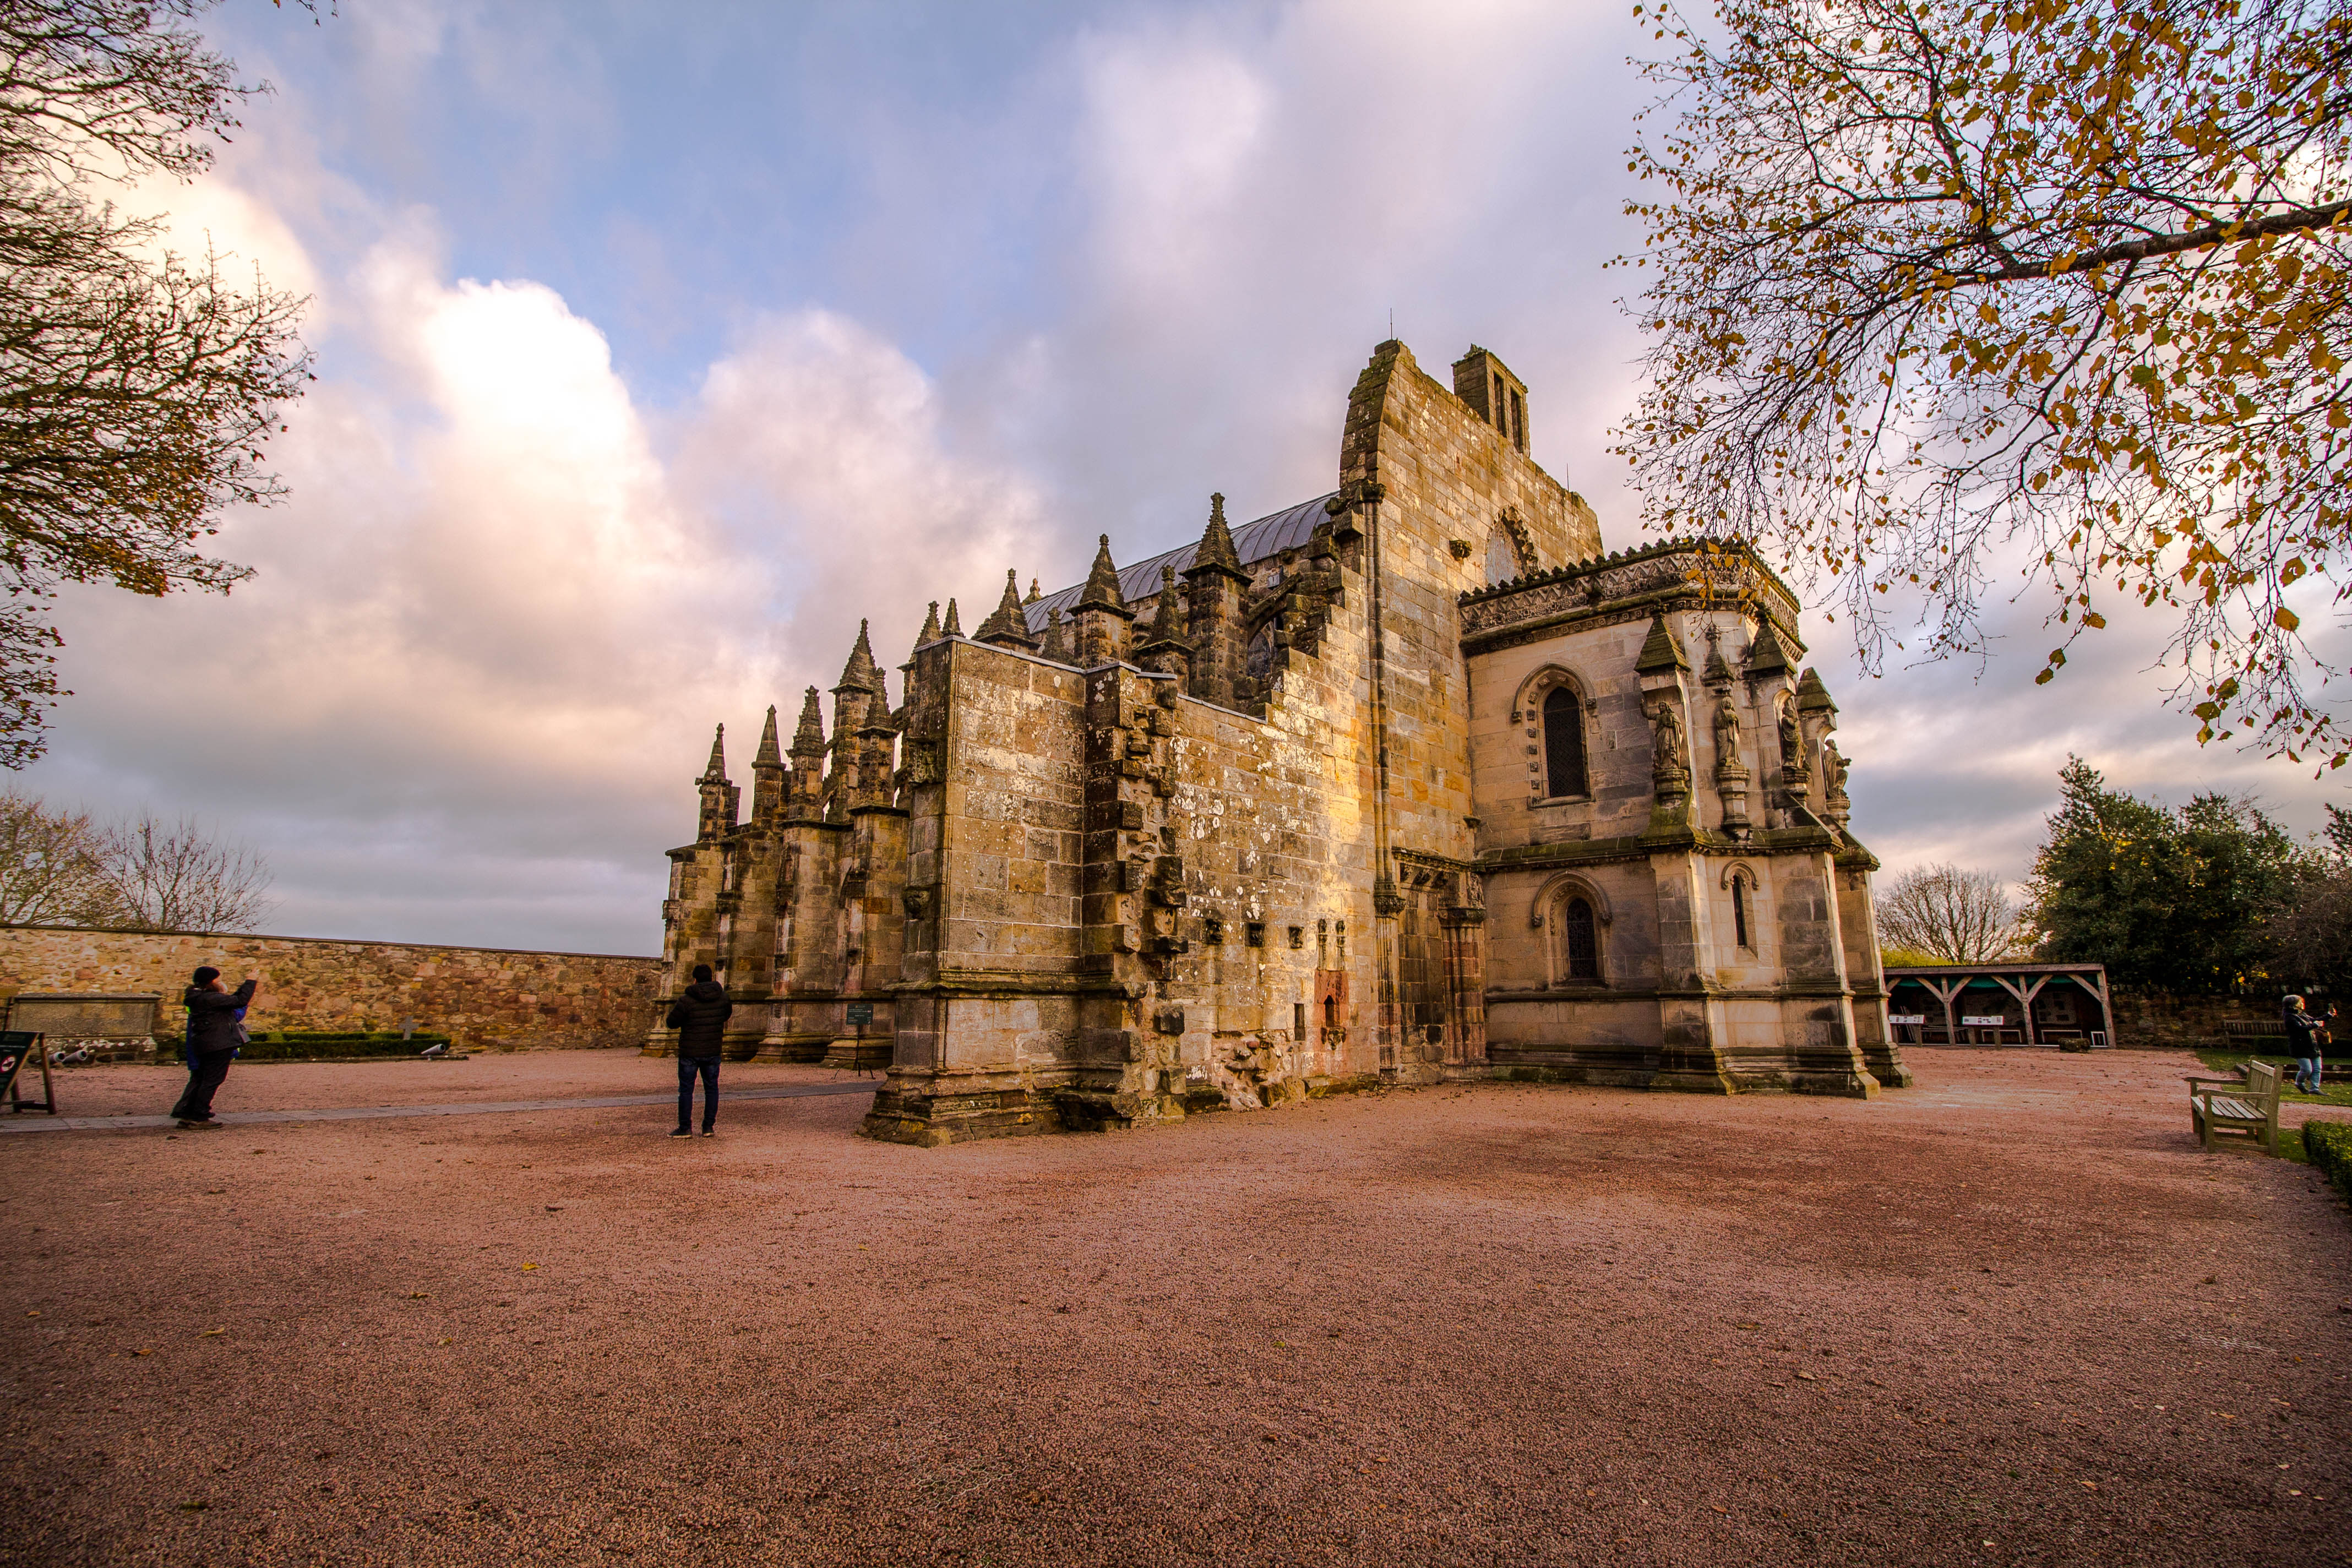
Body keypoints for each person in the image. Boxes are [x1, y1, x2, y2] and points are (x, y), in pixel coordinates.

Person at [172, 966, 257, 1129]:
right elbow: (240, 1001)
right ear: (210, 981)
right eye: (218, 979)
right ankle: (199, 1115)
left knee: (202, 1079)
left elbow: (234, 1001)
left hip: (205, 1043)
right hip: (217, 1043)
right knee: (212, 1080)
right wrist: (250, 981)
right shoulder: (209, 998)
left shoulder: (197, 997)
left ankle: (189, 1114)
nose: (220, 982)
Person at [665, 963, 731, 1137]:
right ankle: (708, 1127)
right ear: (711, 978)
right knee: (712, 1089)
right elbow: (726, 1015)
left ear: (695, 979)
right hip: (712, 1049)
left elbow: (672, 1023)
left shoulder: (686, 1001)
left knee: (686, 1090)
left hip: (690, 1051)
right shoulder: (723, 998)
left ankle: (685, 1128)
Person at [2284, 994, 2334, 1094]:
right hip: (2299, 1047)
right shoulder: (2290, 1017)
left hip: (2312, 1045)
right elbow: (2299, 1030)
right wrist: (2315, 1025)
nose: (2303, 1004)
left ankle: (2315, 1088)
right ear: (2293, 1005)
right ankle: (2300, 1083)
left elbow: (2314, 1020)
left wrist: (2329, 1015)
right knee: (2307, 1069)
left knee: (2317, 1068)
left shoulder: (2302, 1014)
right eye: (2300, 1002)